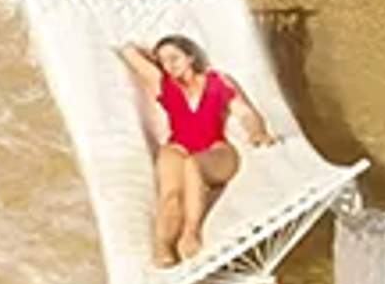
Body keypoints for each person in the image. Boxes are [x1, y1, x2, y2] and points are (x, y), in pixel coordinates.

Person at [119, 33, 278, 269]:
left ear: (191, 57)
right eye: (163, 61)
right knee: (170, 194)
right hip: (177, 147)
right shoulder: (163, 83)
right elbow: (128, 52)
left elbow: (245, 112)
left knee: (193, 165)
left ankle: (190, 232)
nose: (170, 65)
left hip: (216, 150)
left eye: (175, 57)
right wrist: (150, 55)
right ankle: (163, 246)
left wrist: (257, 132)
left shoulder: (218, 81)